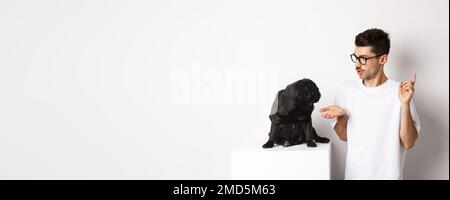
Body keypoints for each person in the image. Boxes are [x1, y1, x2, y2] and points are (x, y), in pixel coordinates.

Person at [320, 28, 421, 180]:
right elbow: (344, 137)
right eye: (356, 57)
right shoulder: (347, 90)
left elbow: (408, 143)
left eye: (364, 59)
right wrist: (342, 118)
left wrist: (405, 104)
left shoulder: (401, 92)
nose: (357, 65)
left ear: (382, 59)